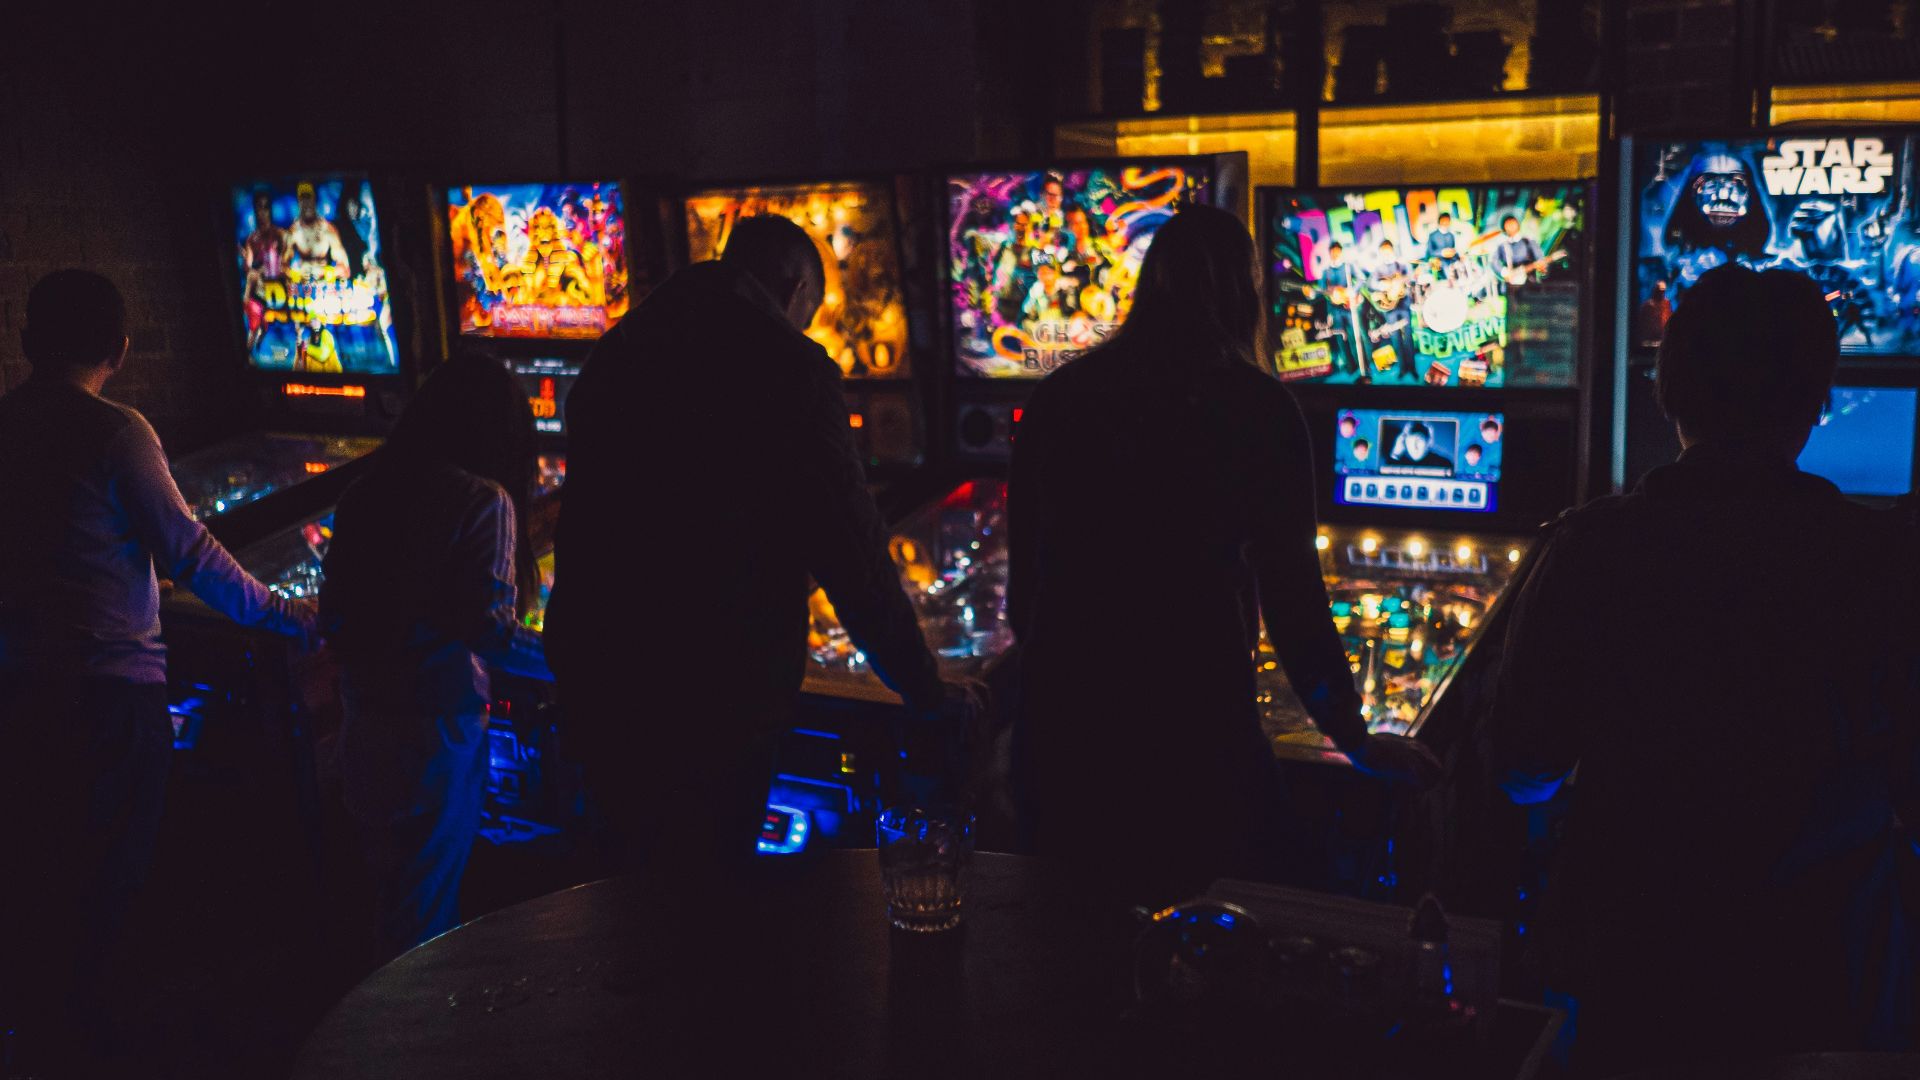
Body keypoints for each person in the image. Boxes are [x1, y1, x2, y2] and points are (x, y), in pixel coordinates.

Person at [1489, 263, 1920, 1075]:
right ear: (1817, 399)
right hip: (1823, 974)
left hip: (1635, 963)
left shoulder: (1591, 547)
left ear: (1670, 387)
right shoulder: (1881, 561)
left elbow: (1521, 768)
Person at [1008, 206, 1441, 907]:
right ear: (1242, 295)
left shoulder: (1060, 396)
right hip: (1192, 726)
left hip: (1062, 728)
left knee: (1070, 955)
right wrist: (1356, 741)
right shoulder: (1257, 408)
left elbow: (1024, 594)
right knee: (1199, 958)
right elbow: (1295, 601)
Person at [546, 216, 967, 870]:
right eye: (808, 312)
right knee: (714, 906)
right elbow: (851, 552)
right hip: (710, 697)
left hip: (599, 673)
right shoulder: (786, 365)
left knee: (631, 897)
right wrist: (926, 691)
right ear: (793, 285)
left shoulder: (623, 346)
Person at [0, 270, 317, 1068]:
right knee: (110, 884)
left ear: (28, 340)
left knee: (43, 879)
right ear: (121, 347)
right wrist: (289, 615)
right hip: (109, 700)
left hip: (20, 690)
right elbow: (193, 552)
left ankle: (48, 1043)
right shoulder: (117, 431)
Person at [319, 352, 546, 961]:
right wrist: (575, 656)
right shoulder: (482, 498)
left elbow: (333, 611)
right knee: (425, 918)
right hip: (434, 735)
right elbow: (492, 630)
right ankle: (403, 1045)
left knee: (384, 900)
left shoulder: (367, 489)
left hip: (363, 723)